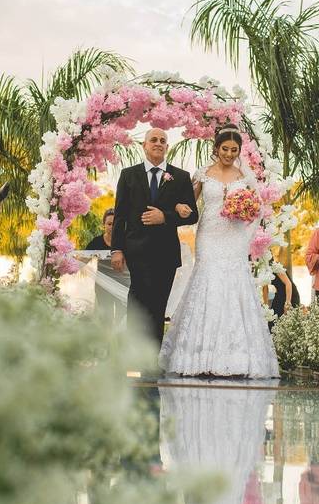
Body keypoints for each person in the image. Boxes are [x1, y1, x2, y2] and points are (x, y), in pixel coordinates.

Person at [157, 126, 279, 378]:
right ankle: (198, 355)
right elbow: (190, 204)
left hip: (234, 236)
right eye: (225, 149)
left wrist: (243, 215)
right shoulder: (203, 173)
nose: (229, 154)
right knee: (208, 282)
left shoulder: (244, 177)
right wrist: (179, 205)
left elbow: (256, 209)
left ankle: (236, 357)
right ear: (217, 148)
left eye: (234, 150)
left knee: (234, 285)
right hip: (209, 235)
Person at [111, 127, 199, 343]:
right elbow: (120, 215)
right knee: (137, 305)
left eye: (162, 140)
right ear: (145, 145)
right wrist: (117, 249)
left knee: (158, 307)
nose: (158, 143)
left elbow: (192, 216)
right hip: (136, 252)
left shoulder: (180, 177)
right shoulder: (128, 175)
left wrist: (166, 217)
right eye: (154, 140)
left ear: (167, 147)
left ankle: (152, 361)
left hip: (165, 254)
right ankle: (134, 355)